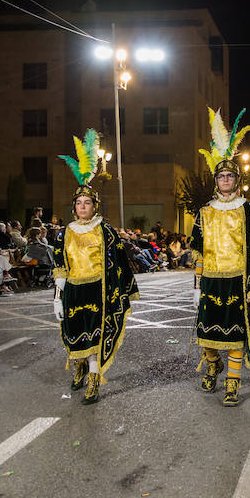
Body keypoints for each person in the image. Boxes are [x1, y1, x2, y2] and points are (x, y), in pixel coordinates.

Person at [190, 109, 250, 407]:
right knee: (209, 336)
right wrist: (197, 284)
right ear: (216, 180)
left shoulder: (248, 210)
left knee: (238, 337)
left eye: (230, 175)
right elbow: (198, 248)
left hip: (239, 282)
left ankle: (233, 384)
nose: (225, 179)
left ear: (237, 180)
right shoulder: (205, 212)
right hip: (212, 281)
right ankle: (212, 364)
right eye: (221, 175)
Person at [51, 130, 139, 404]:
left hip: (98, 291)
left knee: (95, 339)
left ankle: (93, 380)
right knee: (74, 334)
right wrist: (57, 296)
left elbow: (119, 260)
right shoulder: (64, 232)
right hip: (73, 290)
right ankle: (77, 369)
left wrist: (118, 288)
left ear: (94, 205)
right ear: (74, 206)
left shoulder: (105, 230)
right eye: (78, 203)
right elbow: (60, 263)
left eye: (87, 202)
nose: (82, 206)